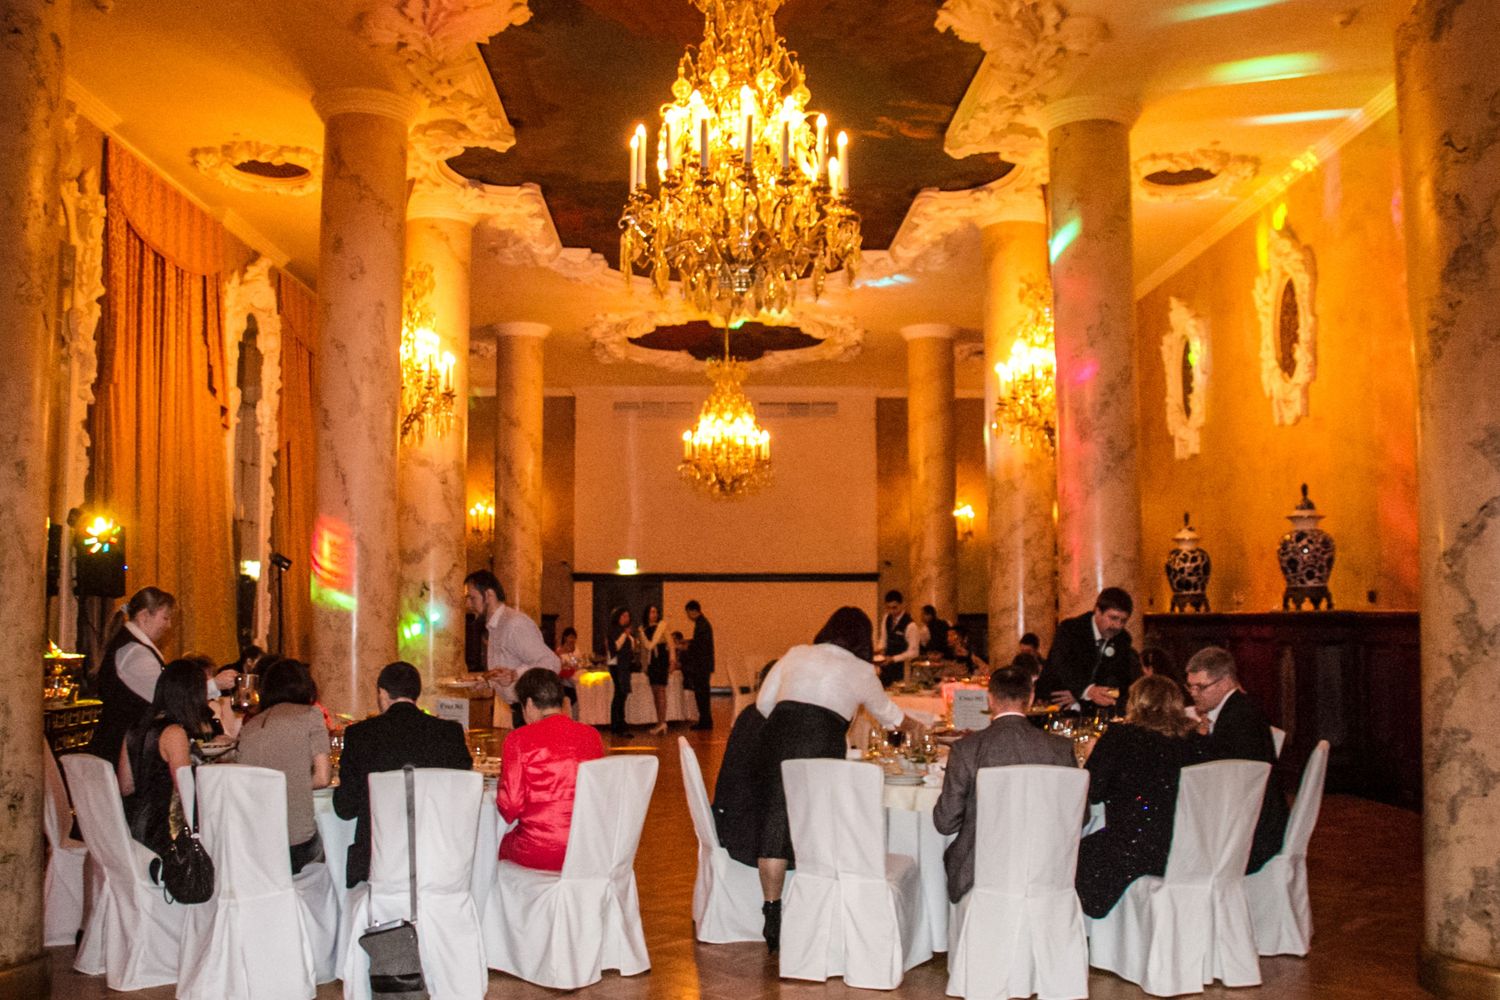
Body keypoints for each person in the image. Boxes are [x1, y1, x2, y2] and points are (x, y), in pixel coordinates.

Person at [751, 606, 923, 952]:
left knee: (775, 822)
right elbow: (890, 717)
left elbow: (763, 702)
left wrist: (790, 724)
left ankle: (772, 911)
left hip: (776, 735)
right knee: (818, 824)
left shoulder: (797, 652)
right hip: (821, 740)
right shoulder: (861, 669)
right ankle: (819, 905)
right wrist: (919, 727)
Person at [931, 666, 1076, 903]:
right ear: (1031, 698)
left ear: (989, 699)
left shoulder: (966, 749)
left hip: (980, 872)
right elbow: (1079, 817)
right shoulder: (1061, 748)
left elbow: (945, 823)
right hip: (1047, 872)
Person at [1074, 674, 1207, 917]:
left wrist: (1094, 754)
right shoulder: (1195, 741)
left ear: (1134, 703)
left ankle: (1088, 932)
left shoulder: (1120, 737)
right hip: (1189, 847)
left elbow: (1093, 792)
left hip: (1136, 847)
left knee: (1070, 856)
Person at [332, 661, 472, 887]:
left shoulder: (360, 735)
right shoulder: (450, 733)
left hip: (377, 862)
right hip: (440, 859)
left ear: (382, 693)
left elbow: (345, 808)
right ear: (417, 693)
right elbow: (462, 795)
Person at [1185, 646, 1289, 873]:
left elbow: (1220, 776)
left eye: (1200, 687)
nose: (1193, 693)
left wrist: (1196, 741)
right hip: (1254, 823)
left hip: (1251, 835)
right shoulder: (1237, 708)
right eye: (1190, 686)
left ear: (1225, 683)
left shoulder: (1239, 719)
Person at [496, 669, 606, 872]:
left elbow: (510, 807)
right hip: (587, 848)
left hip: (541, 849)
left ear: (529, 704)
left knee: (488, 846)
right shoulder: (591, 735)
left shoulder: (518, 739)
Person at [235, 658, 332, 874]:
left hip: (255, 845)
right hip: (297, 844)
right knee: (333, 850)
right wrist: (294, 782)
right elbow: (323, 777)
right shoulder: (311, 715)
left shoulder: (250, 726)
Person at [117, 658, 218, 860]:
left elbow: (125, 786)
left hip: (134, 829)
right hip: (164, 834)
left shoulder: (136, 728)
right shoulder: (174, 733)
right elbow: (186, 793)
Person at [464, 569, 561, 730]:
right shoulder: (496, 625)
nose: (468, 605)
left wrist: (515, 674)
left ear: (489, 595)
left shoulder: (514, 624)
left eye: (472, 598)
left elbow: (551, 662)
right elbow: (507, 665)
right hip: (521, 710)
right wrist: (486, 681)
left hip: (533, 713)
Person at [88, 587, 175, 765]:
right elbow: (167, 697)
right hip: (121, 751)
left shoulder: (131, 646)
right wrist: (213, 686)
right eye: (165, 618)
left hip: (121, 746)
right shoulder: (135, 653)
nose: (169, 625)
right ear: (144, 616)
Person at [1037, 587, 1142, 712]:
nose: (1117, 626)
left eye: (1123, 621)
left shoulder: (1123, 639)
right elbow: (1061, 666)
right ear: (1097, 611)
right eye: (1113, 618)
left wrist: (1096, 694)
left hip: (1093, 710)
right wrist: (1085, 691)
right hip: (1057, 703)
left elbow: (1120, 679)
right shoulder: (1071, 629)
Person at [640, 603, 675, 736]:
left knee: (660, 691)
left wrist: (672, 661)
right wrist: (644, 665)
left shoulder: (662, 626)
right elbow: (644, 649)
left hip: (661, 659)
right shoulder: (643, 629)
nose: (654, 615)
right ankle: (659, 722)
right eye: (651, 612)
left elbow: (671, 644)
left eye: (655, 612)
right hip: (651, 662)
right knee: (655, 692)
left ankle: (662, 722)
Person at [874, 589, 921, 687]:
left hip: (903, 669)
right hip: (887, 668)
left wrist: (893, 659)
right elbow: (883, 639)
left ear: (902, 604)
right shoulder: (886, 618)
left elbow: (914, 652)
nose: (891, 611)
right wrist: (880, 650)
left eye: (894, 607)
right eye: (888, 608)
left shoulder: (911, 625)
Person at [681, 600, 716, 730]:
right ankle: (705, 720)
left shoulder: (702, 625)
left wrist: (687, 646)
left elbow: (699, 646)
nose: (688, 615)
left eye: (688, 612)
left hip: (701, 666)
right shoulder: (702, 623)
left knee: (701, 695)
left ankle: (705, 722)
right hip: (704, 665)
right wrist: (688, 641)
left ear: (693, 611)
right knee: (703, 694)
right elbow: (699, 642)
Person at [604, 606, 636, 737]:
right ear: (617, 617)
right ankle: (617, 725)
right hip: (616, 665)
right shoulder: (613, 630)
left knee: (622, 694)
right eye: (623, 616)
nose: (626, 618)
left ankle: (620, 723)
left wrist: (629, 636)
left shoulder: (625, 631)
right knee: (619, 694)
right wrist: (625, 635)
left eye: (627, 616)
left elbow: (632, 646)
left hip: (624, 665)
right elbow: (615, 647)